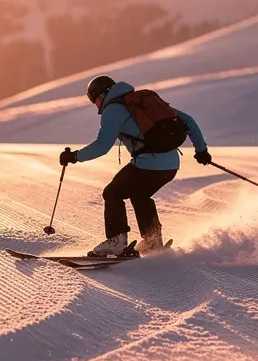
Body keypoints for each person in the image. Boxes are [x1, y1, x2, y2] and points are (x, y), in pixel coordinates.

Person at [58, 75, 211, 256]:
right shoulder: (142, 102)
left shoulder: (113, 110)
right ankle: (153, 241)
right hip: (171, 165)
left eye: (94, 99)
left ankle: (116, 240)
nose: (96, 105)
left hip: (149, 164)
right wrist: (201, 150)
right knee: (140, 194)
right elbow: (188, 121)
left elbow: (102, 146)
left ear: (102, 95)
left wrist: (75, 156)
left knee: (113, 192)